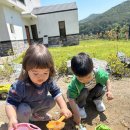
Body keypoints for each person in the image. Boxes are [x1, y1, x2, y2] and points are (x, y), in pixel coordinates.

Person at [5, 44, 72, 130]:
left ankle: (37, 116)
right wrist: (12, 118)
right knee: (23, 109)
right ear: (26, 68)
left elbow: (57, 93)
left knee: (52, 100)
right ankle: (24, 125)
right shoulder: (20, 85)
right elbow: (10, 103)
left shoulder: (48, 80)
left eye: (45, 73)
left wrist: (64, 108)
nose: (41, 77)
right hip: (24, 109)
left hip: (37, 105)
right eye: (35, 73)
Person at [67, 52, 113, 124]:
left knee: (100, 87)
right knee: (84, 91)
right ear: (75, 74)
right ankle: (80, 106)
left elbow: (107, 80)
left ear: (93, 68)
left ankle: (97, 100)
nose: (86, 80)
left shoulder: (97, 73)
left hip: (93, 91)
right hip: (82, 95)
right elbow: (71, 98)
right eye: (81, 79)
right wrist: (76, 113)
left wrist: (109, 91)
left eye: (88, 77)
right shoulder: (74, 83)